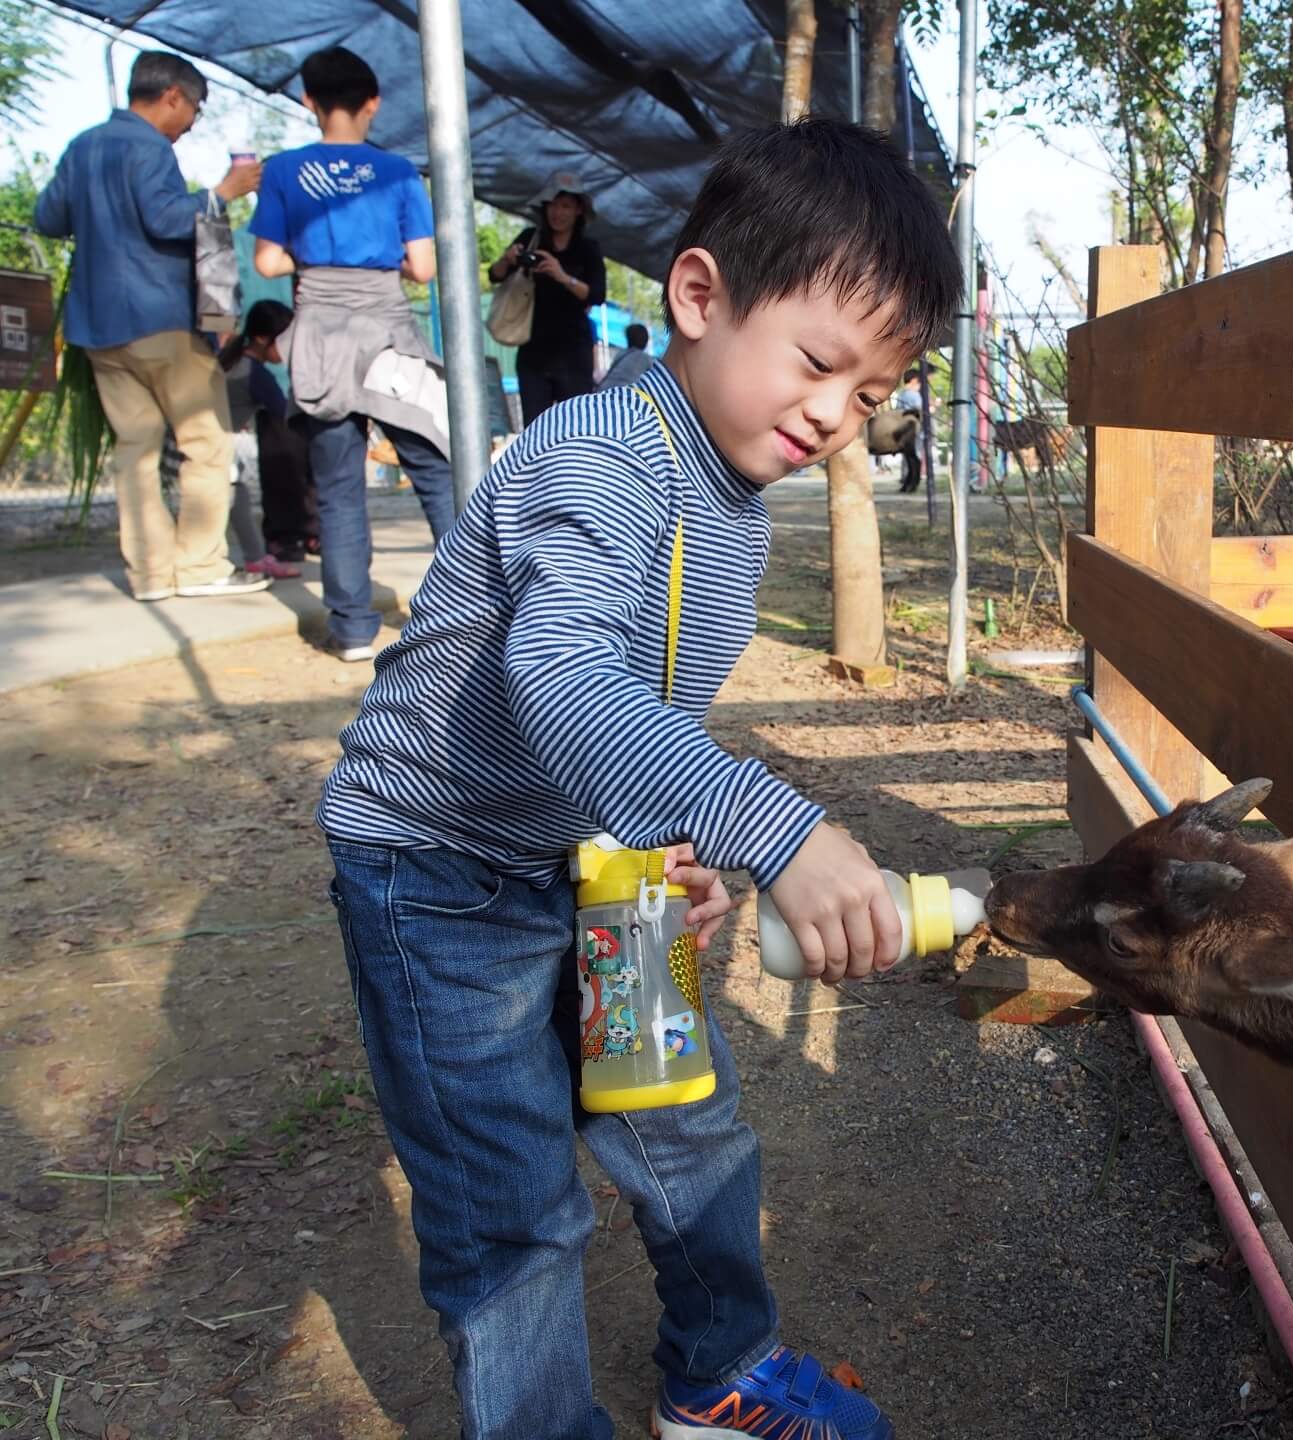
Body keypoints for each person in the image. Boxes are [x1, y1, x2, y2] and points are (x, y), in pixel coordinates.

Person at [320, 118, 961, 1440]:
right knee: (513, 1209)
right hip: (442, 874)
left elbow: (639, 708)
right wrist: (779, 833)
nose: (834, 414)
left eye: (871, 395)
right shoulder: (603, 453)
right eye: (819, 363)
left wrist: (676, 846)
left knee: (688, 1127)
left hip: (602, 864)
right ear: (700, 295)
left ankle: (719, 1374)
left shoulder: (733, 496)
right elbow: (565, 676)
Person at [33, 50, 268, 601]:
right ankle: (200, 567)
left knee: (135, 450)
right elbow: (166, 219)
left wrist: (100, 218)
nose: (192, 122)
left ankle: (151, 575)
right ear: (172, 97)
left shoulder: (84, 145)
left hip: (99, 327)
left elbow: (48, 219)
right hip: (161, 320)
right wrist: (222, 193)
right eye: (195, 109)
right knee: (205, 443)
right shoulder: (150, 148)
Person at [251, 46, 455, 663]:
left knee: (339, 489)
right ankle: (468, 613)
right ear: (373, 103)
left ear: (309, 102)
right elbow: (423, 267)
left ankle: (352, 630)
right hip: (388, 337)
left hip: (319, 339)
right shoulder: (397, 172)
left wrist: (314, 258)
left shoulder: (284, 170)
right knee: (436, 472)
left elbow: (267, 262)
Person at [488, 172, 607, 423]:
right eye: (553, 205)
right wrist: (508, 260)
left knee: (576, 425)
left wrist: (562, 276)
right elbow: (494, 275)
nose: (558, 212)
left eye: (565, 206)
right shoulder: (531, 239)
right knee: (535, 427)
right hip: (534, 351)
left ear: (578, 210)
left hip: (574, 353)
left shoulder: (588, 248)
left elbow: (597, 295)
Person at [218, 303, 302, 580]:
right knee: (236, 497)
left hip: (196, 439)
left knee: (234, 497)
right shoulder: (255, 374)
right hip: (216, 444)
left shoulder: (231, 359)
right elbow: (284, 411)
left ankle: (254, 557)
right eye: (284, 341)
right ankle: (255, 559)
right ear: (263, 338)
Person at [594, 320, 653, 392]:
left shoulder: (621, 354)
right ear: (645, 340)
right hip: (623, 393)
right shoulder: (647, 359)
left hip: (604, 390)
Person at [894, 366, 927, 493]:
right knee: (914, 457)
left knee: (907, 457)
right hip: (913, 429)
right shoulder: (914, 395)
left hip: (901, 428)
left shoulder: (902, 394)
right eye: (919, 382)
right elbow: (920, 411)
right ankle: (913, 482)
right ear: (914, 381)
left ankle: (907, 482)